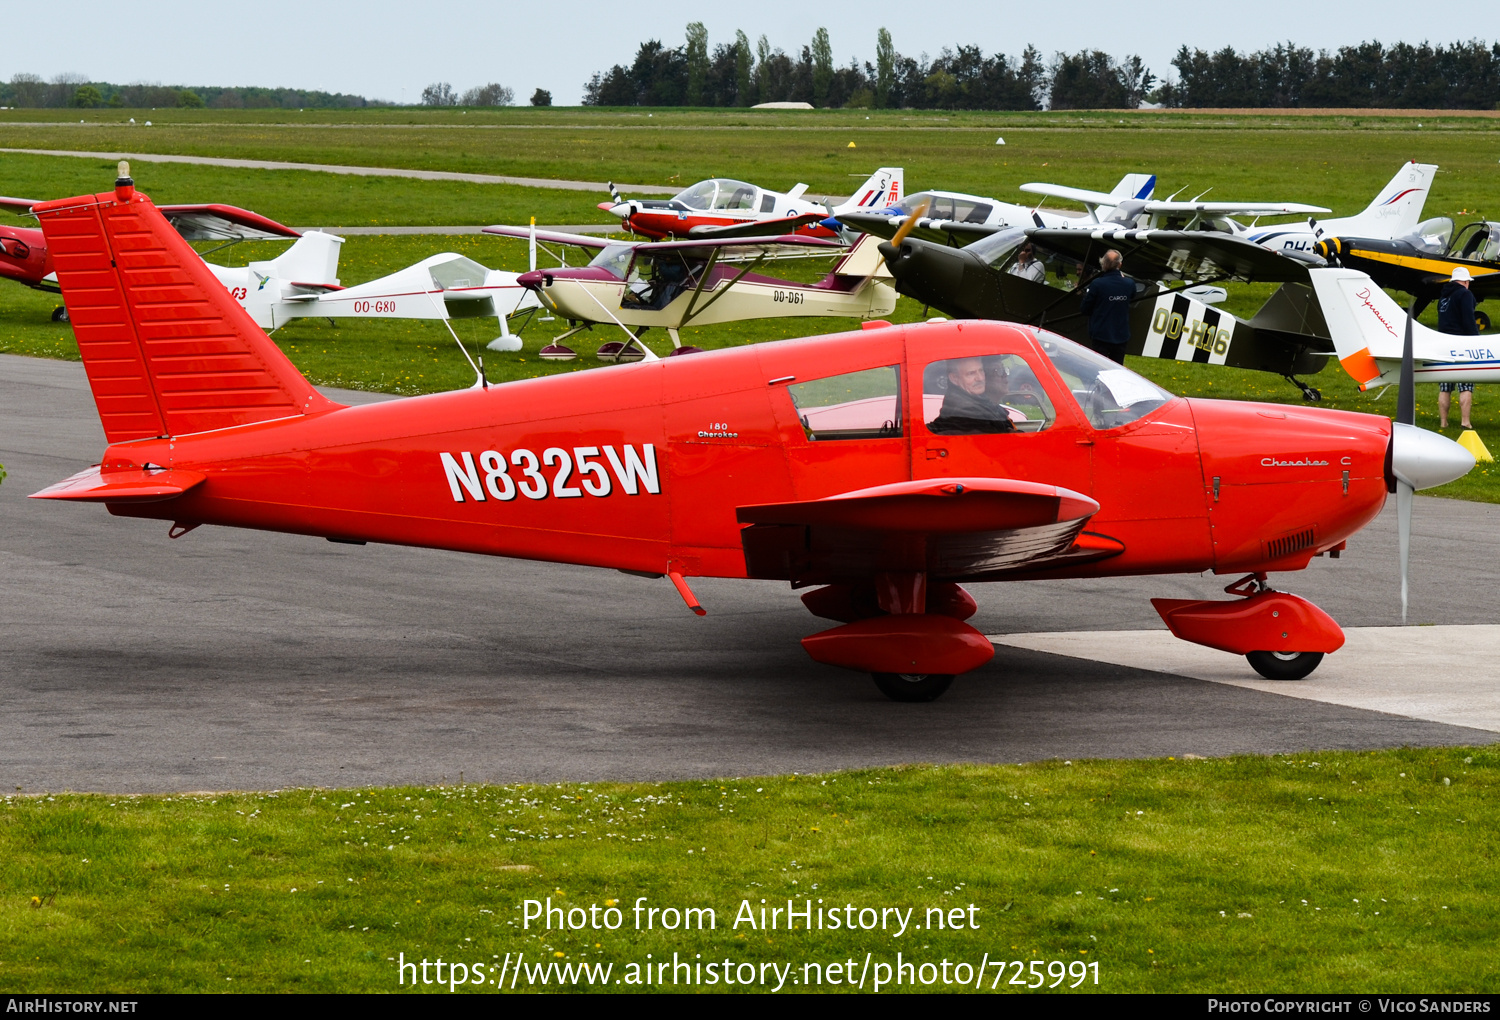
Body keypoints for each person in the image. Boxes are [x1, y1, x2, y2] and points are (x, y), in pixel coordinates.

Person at [1436, 266, 1478, 431]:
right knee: (1466, 385)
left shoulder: (1443, 297)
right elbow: (1469, 320)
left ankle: (1443, 422)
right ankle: (1465, 422)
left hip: (1444, 344)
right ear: (1466, 282)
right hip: (1462, 344)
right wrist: (1475, 342)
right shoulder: (1465, 294)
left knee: (1445, 387)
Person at [928, 357, 1015, 435]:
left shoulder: (982, 403)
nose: (980, 378)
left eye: (981, 371)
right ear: (954, 378)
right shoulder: (966, 412)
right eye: (971, 373)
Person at [1079, 249, 1134, 364]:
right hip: (1121, 336)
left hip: (1101, 336)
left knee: (1098, 367)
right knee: (1116, 369)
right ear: (1120, 265)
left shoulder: (1097, 284)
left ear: (1103, 264)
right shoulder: (1129, 284)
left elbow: (1084, 309)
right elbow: (1132, 296)